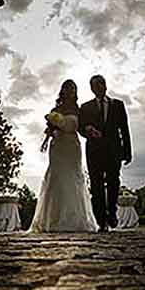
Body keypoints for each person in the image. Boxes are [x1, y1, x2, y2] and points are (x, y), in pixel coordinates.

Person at [29, 79, 97, 233]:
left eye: (73, 88)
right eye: (68, 88)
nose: (70, 91)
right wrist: (50, 133)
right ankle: (53, 219)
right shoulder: (55, 109)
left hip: (72, 146)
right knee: (57, 178)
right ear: (63, 90)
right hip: (58, 146)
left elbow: (81, 129)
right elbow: (50, 130)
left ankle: (75, 220)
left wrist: (90, 131)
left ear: (76, 92)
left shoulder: (79, 110)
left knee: (73, 178)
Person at [78, 74, 133, 233]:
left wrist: (127, 152)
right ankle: (101, 220)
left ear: (106, 85)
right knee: (96, 186)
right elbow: (81, 128)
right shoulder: (85, 107)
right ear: (91, 89)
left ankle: (112, 213)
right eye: (95, 85)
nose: (98, 87)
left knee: (114, 182)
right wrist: (87, 130)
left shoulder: (118, 105)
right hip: (94, 151)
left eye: (101, 84)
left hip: (114, 151)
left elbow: (124, 130)